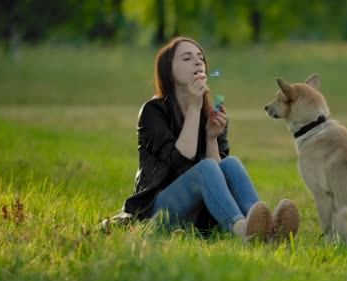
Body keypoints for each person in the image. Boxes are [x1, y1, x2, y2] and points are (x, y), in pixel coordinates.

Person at [106, 36, 299, 241]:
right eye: (187, 58)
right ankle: (243, 230)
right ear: (168, 70)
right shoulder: (153, 111)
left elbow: (219, 175)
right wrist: (194, 107)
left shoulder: (212, 114)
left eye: (201, 58)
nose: (198, 62)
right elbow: (182, 159)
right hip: (156, 212)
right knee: (205, 168)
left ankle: (267, 231)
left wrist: (211, 138)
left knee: (230, 163)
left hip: (199, 217)